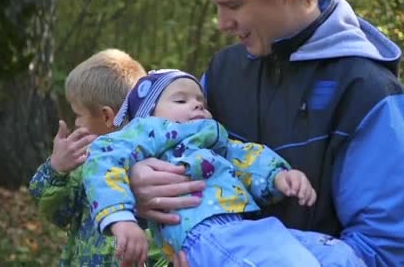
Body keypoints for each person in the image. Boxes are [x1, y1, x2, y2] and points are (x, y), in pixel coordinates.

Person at [127, 0, 404, 266]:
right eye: (217, 6)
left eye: (233, 5)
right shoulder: (222, 74)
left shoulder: (368, 93)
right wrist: (141, 186)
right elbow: (166, 165)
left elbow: (383, 252)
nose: (222, 23)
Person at [82, 69, 359, 267]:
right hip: (203, 236)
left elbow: (247, 156)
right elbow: (103, 156)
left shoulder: (216, 140)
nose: (196, 105)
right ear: (148, 114)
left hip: (250, 230)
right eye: (180, 100)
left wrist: (280, 176)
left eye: (200, 102)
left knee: (339, 256)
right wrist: (120, 219)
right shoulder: (149, 131)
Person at [28, 49, 146, 266]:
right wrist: (56, 169)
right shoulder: (86, 163)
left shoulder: (151, 168)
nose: (76, 123)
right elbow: (58, 214)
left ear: (107, 116)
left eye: (78, 114)